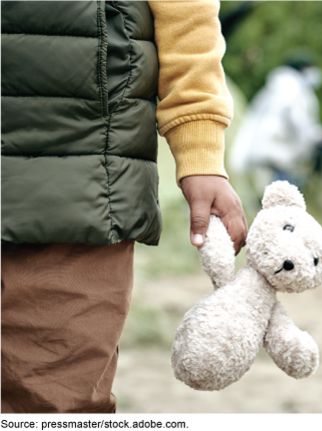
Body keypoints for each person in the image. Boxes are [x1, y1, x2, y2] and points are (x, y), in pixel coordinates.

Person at [0, 0, 247, 413]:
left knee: (52, 400)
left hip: (81, 180)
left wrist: (200, 151)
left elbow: (188, 19)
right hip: (86, 176)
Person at [230, 52, 322, 193]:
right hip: (276, 151)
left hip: (263, 148)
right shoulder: (294, 90)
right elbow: (300, 123)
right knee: (279, 198)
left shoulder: (277, 87)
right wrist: (318, 136)